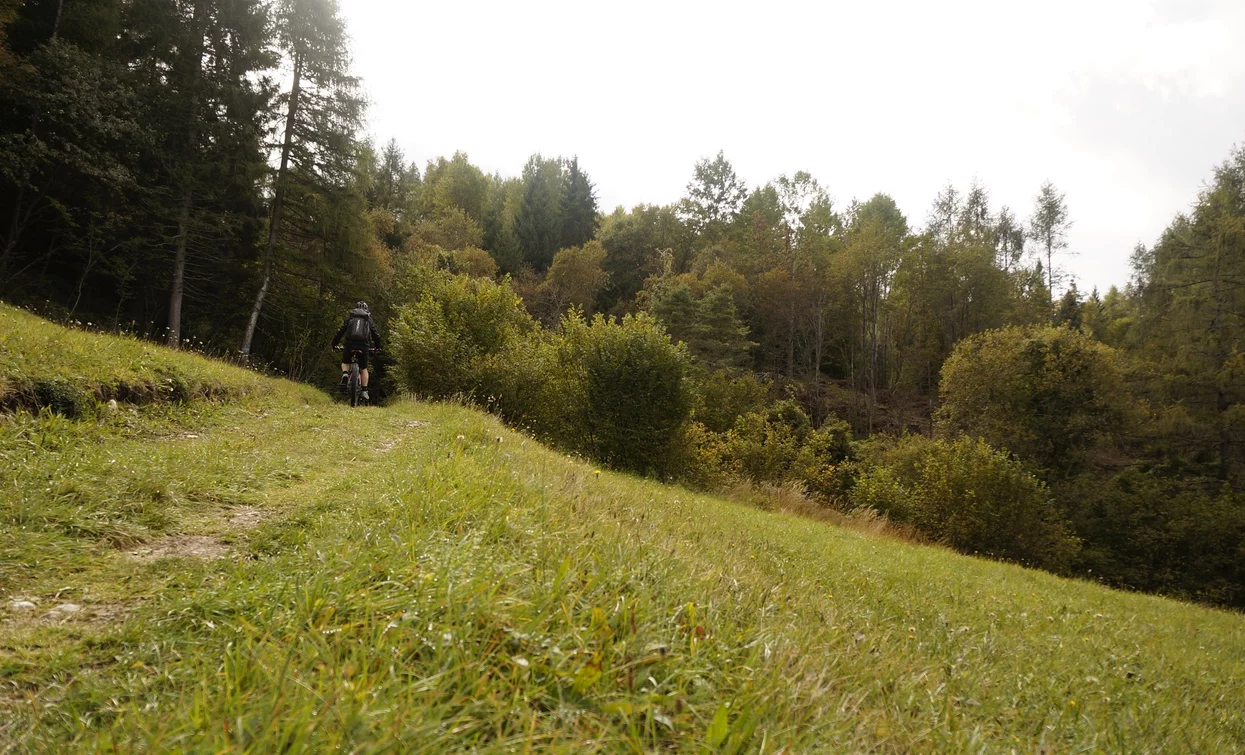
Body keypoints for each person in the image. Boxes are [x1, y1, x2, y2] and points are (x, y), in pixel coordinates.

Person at [331, 301, 382, 401]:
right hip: (364, 345)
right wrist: (378, 347)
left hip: (349, 344)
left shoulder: (350, 317)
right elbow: (375, 334)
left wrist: (334, 343)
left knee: (345, 362)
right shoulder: (368, 319)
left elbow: (341, 331)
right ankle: (364, 390)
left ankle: (345, 374)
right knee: (363, 368)